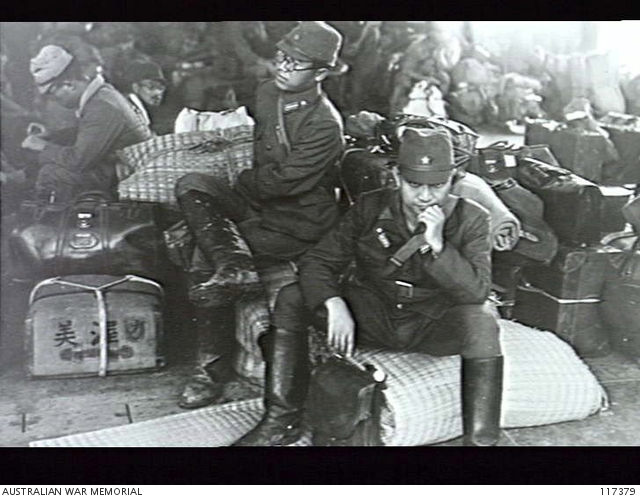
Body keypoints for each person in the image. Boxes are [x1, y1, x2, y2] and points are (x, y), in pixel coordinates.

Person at [234, 127, 503, 447]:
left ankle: (481, 442)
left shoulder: (473, 218)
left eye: (437, 185)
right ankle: (280, 419)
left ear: (453, 180)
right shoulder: (369, 207)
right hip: (375, 314)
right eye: (414, 184)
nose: (425, 197)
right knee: (292, 297)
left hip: (429, 323)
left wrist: (438, 247)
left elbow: (476, 292)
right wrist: (334, 303)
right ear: (396, 177)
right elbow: (317, 261)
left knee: (483, 320)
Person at [174, 21, 345, 409]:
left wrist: (245, 182)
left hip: (298, 223)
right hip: (258, 202)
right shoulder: (268, 93)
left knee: (202, 251)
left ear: (321, 72)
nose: (283, 67)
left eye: (297, 63)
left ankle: (210, 372)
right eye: (282, 57)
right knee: (192, 182)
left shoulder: (324, 124)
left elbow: (283, 183)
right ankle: (234, 265)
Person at [22, 44, 154, 203]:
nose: (53, 100)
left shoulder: (101, 107)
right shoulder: (103, 94)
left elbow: (78, 161)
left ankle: (49, 222)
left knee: (52, 172)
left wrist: (43, 146)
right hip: (122, 166)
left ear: (68, 84)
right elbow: (89, 133)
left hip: (130, 174)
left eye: (52, 93)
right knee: (55, 156)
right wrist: (52, 135)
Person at [119, 57, 167, 135]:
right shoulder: (130, 111)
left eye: (161, 87)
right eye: (151, 87)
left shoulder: (144, 109)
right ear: (136, 87)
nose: (158, 92)